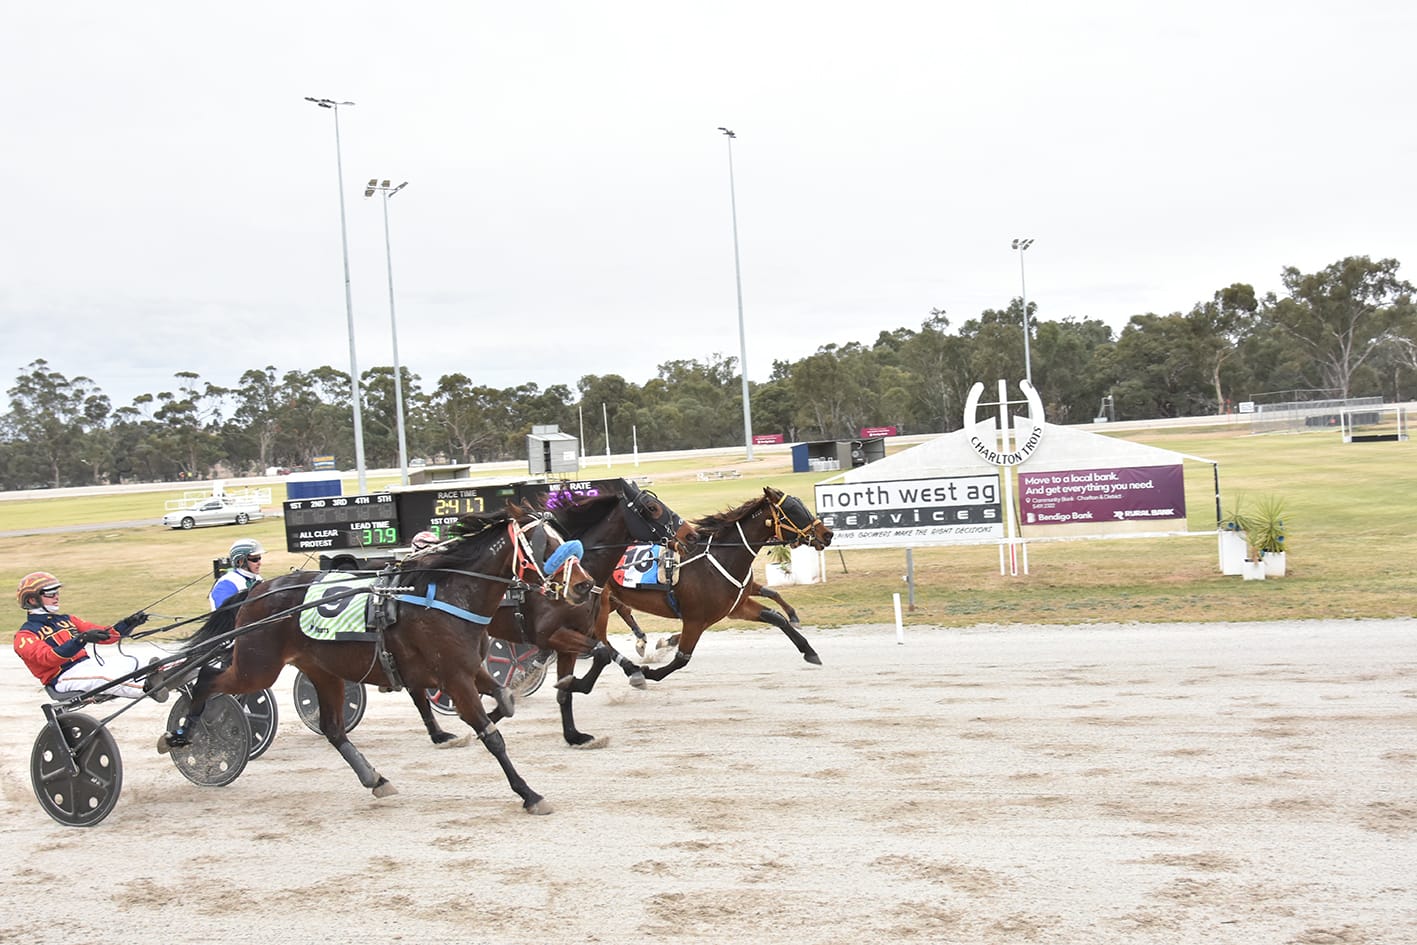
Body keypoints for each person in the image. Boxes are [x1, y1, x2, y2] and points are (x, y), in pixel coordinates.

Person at [14, 571, 152, 698]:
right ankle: (148, 688)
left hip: (87, 666)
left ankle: (166, 676)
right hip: (62, 678)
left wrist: (129, 623)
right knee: (103, 678)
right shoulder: (25, 636)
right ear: (32, 600)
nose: (56, 597)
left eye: (57, 592)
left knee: (132, 661)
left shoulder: (67, 620)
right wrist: (81, 639)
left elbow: (106, 635)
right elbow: (49, 658)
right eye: (50, 593)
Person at [210, 538, 264, 611]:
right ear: (241, 561)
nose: (259, 563)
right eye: (254, 560)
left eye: (259, 558)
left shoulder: (258, 578)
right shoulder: (227, 583)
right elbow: (226, 612)